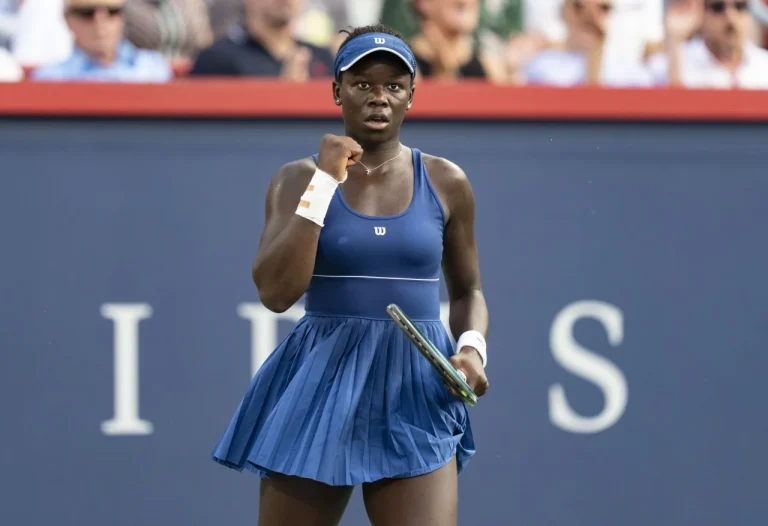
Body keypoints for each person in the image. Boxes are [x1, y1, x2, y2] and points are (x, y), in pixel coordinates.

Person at [212, 23, 490, 526]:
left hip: (414, 387)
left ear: (411, 95)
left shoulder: (448, 181)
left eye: (393, 86)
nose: (379, 97)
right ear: (337, 91)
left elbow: (468, 289)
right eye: (363, 84)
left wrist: (471, 349)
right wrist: (323, 183)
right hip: (321, 377)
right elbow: (276, 293)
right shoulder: (297, 179)